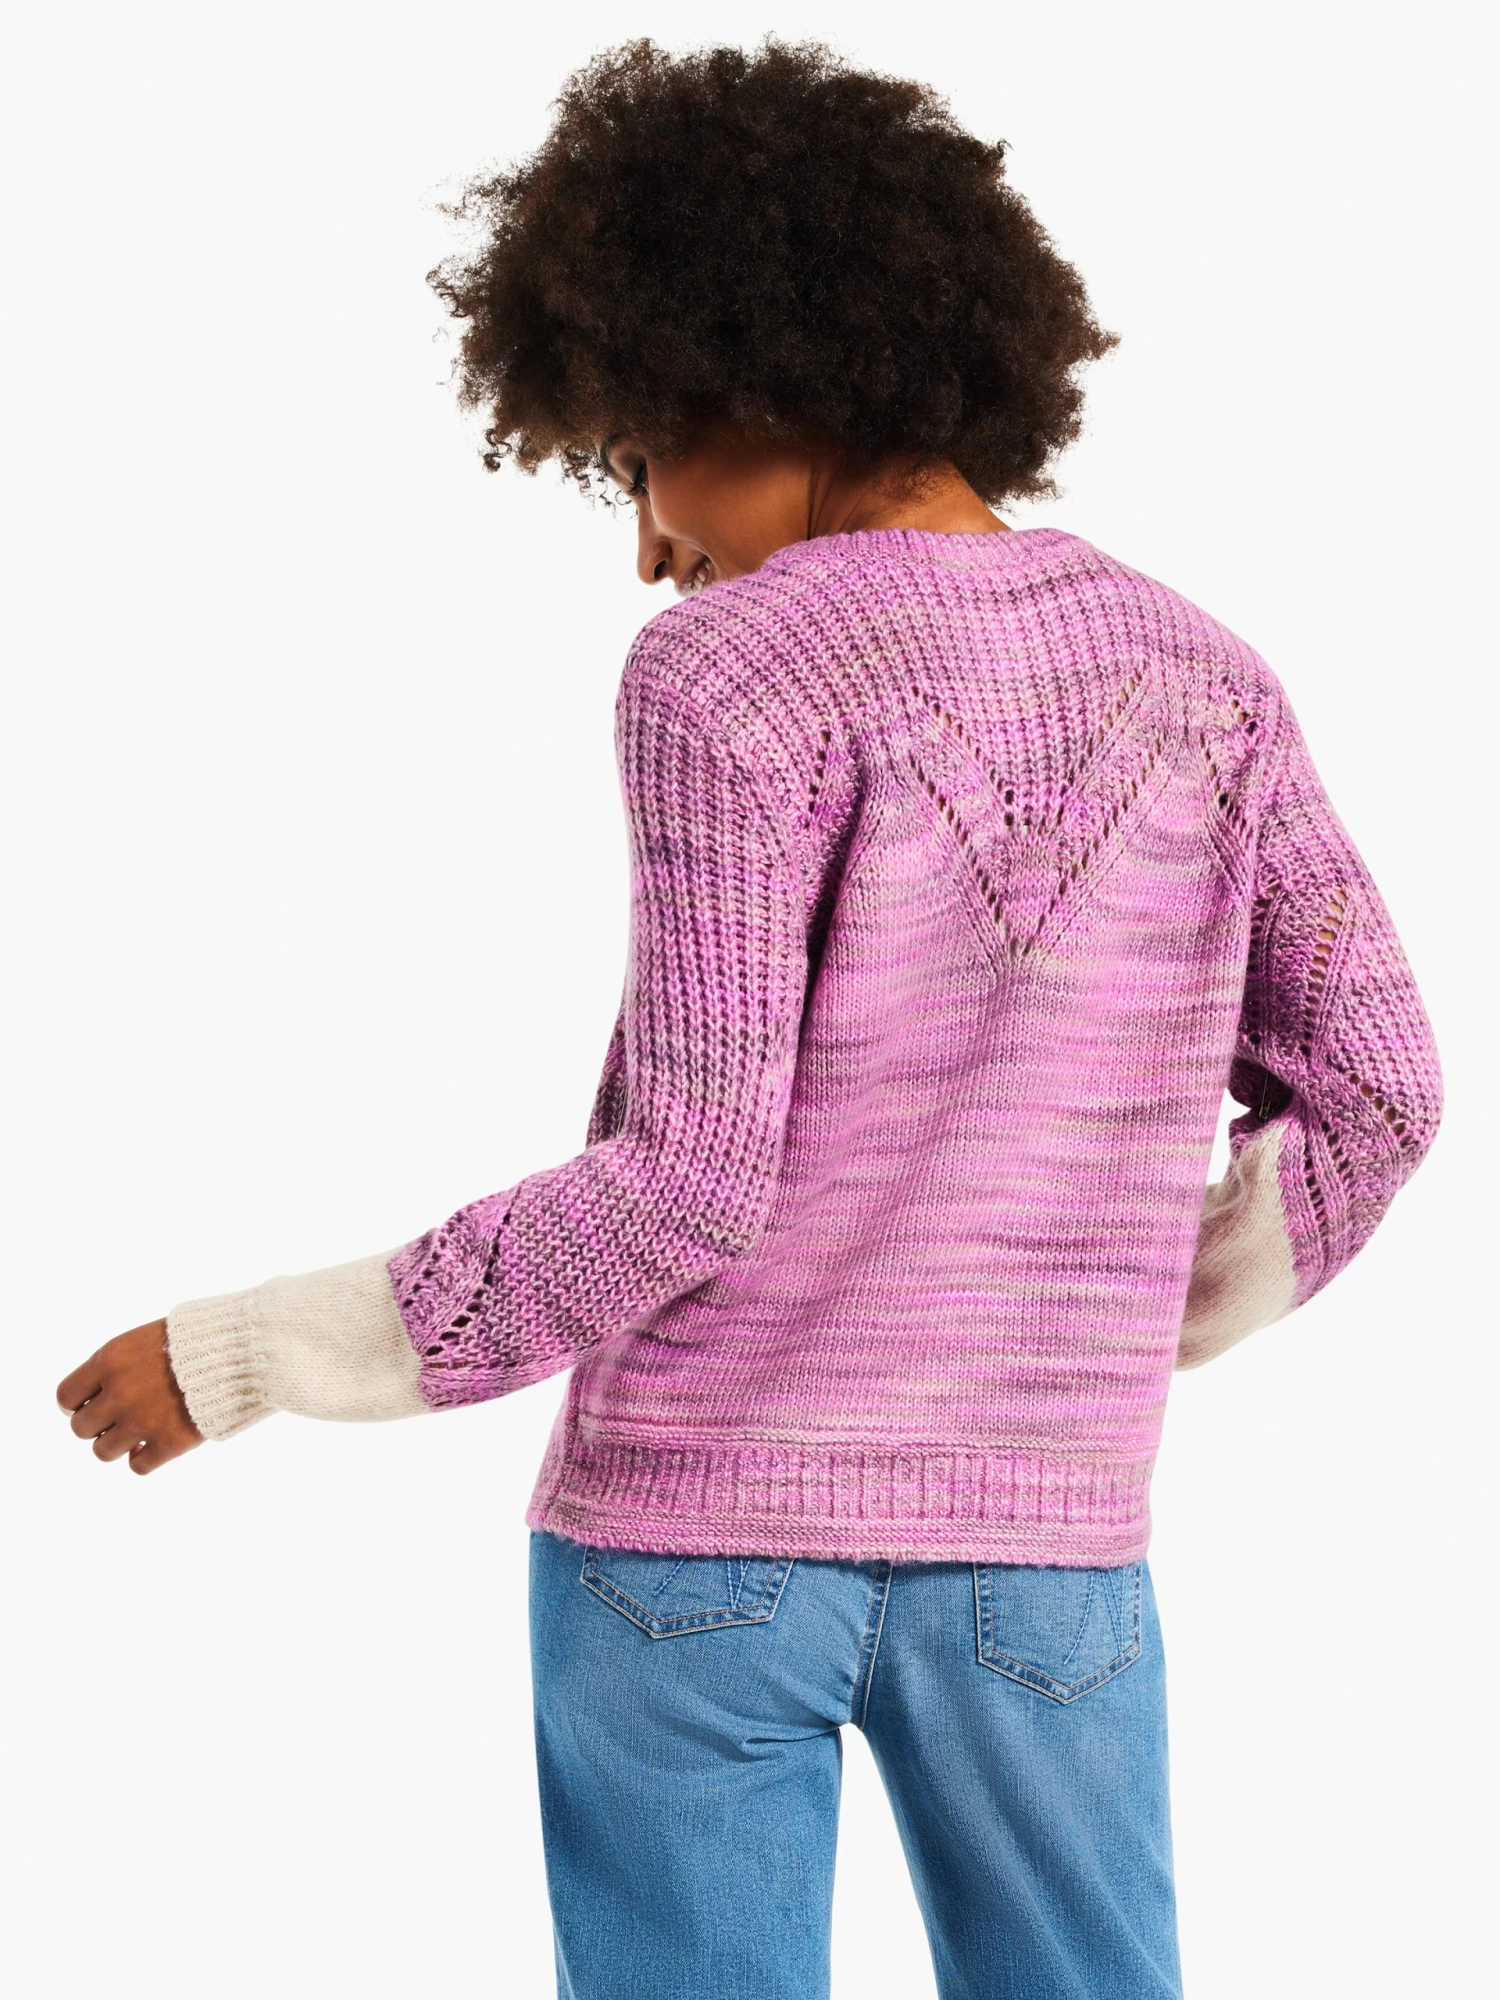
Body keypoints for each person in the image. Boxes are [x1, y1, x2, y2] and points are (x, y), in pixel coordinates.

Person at [54, 37, 1443, 2000]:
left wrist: (246, 1354)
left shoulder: (726, 671)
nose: (647, 545)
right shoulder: (1204, 674)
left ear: (758, 376)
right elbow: (1381, 1091)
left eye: (637, 457)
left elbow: (689, 1181)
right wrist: (1080, 1326)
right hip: (1046, 1557)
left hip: (690, 1550)